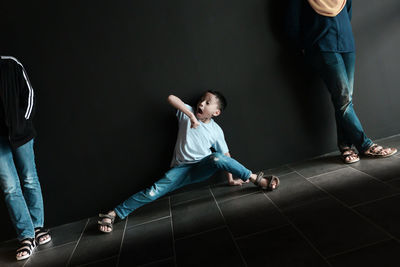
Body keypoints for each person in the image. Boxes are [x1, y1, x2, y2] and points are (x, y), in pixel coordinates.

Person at [98, 90, 280, 233]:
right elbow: (171, 98)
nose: (201, 103)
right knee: (152, 192)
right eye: (201, 100)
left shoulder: (216, 131)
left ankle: (257, 179)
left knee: (217, 157)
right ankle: (113, 214)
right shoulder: (187, 113)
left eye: (207, 103)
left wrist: (230, 179)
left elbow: (225, 156)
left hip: (202, 167)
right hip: (180, 170)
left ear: (216, 112)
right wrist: (192, 116)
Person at [286, 0, 397, 163]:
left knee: (345, 99)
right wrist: (304, 45)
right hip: (322, 44)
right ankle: (365, 145)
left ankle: (345, 146)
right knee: (343, 98)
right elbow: (291, 24)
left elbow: (348, 12)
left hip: (346, 43)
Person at [0, 56, 51, 260]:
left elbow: (28, 93)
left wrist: (23, 123)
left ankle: (37, 227)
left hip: (20, 134)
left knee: (29, 179)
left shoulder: (10, 64)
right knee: (9, 186)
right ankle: (26, 236)